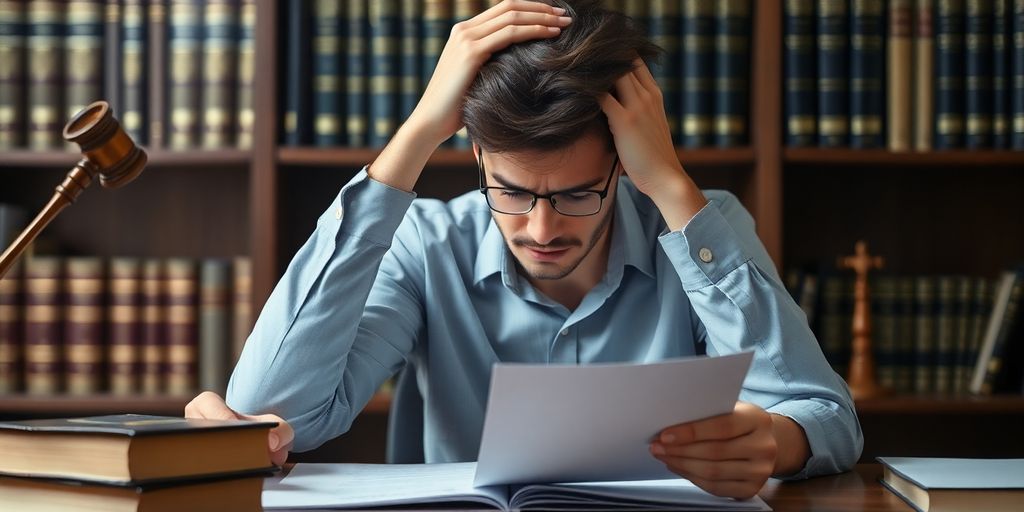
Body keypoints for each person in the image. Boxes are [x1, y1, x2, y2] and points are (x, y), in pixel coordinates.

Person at [185, 0, 862, 499]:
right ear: (476, 155)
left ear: (622, 165)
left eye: (575, 195)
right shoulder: (429, 244)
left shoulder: (698, 229)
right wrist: (419, 133)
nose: (541, 230)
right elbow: (277, 409)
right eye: (509, 191)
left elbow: (826, 417)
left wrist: (773, 440)